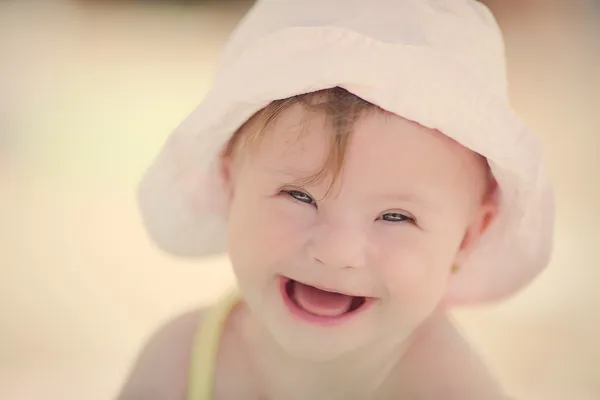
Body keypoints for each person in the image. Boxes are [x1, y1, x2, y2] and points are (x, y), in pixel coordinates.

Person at [118, 0, 554, 398]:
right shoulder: (178, 362)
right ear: (231, 185)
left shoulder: (450, 388)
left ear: (466, 237)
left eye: (396, 216)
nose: (335, 251)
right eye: (298, 195)